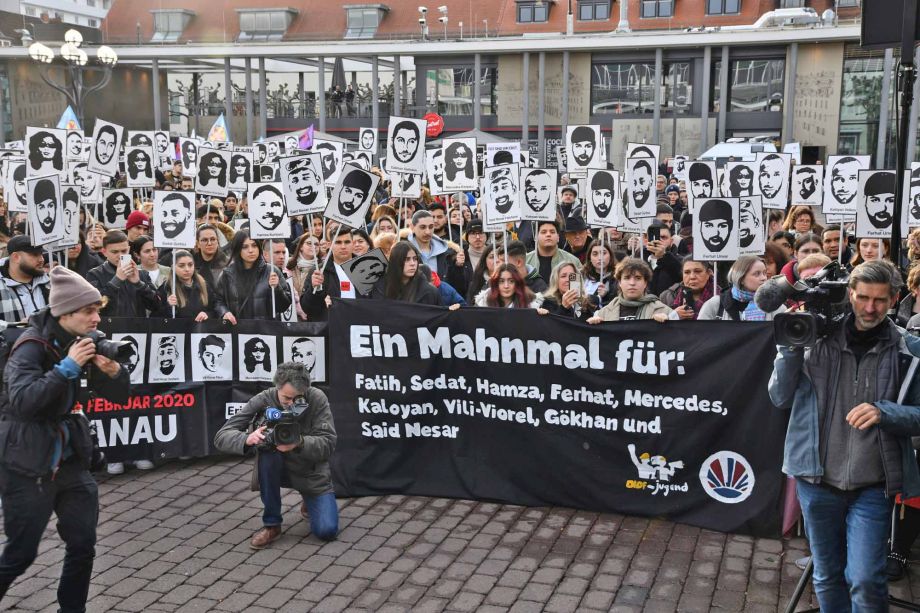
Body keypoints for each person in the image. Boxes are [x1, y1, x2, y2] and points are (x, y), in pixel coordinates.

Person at [768, 260, 920, 612]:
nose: (870, 308)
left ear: (895, 298)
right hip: (816, 480)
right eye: (863, 297)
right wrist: (790, 348)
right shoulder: (812, 339)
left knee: (866, 580)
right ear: (850, 294)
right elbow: (779, 396)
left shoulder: (908, 350)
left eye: (880, 300)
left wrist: (886, 413)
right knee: (826, 574)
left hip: (873, 485)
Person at [0, 267, 129, 612]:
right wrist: (66, 368)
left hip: (70, 457)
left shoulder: (82, 339)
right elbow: (24, 402)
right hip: (27, 460)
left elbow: (119, 397)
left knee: (83, 543)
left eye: (97, 310)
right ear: (65, 313)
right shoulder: (29, 347)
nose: (96, 317)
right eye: (89, 311)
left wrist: (115, 374)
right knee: (20, 552)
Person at [214, 362, 338, 549]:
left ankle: (309, 499)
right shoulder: (264, 398)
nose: (292, 403)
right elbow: (221, 436)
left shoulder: (317, 398)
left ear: (306, 390)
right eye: (286, 398)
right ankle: (272, 524)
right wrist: (248, 438)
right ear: (277, 388)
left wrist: (299, 442)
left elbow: (328, 444)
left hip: (310, 472)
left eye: (298, 398)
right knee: (266, 452)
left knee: (326, 531)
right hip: (275, 467)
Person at [215, 230, 291, 323]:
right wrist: (225, 313)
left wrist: (277, 288)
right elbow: (217, 301)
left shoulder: (272, 271)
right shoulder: (227, 274)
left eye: (254, 245)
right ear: (238, 249)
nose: (251, 250)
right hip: (238, 331)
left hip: (266, 332)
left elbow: (284, 306)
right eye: (245, 247)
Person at [86, 230, 159, 318]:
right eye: (115, 252)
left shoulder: (141, 274)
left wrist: (139, 284)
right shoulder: (95, 274)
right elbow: (95, 306)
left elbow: (156, 305)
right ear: (104, 252)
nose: (120, 255)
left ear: (128, 249)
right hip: (109, 328)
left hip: (138, 329)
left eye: (124, 251)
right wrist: (116, 280)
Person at [697, 255, 782, 321]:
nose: (764, 278)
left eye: (764, 273)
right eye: (757, 274)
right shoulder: (715, 305)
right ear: (741, 278)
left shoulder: (775, 306)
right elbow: (701, 337)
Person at [587, 258, 672, 323]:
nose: (632, 283)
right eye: (627, 278)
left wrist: (669, 322)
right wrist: (593, 328)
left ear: (645, 283)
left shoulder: (662, 310)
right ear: (620, 282)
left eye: (638, 278)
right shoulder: (603, 314)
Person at [407, 210, 468, 297]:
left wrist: (458, 267)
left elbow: (459, 287)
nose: (427, 232)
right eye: (423, 227)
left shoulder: (448, 252)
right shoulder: (403, 250)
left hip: (440, 304)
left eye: (431, 227)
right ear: (412, 227)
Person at [0, 236, 50, 324]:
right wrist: (18, 327)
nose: (42, 259)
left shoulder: (50, 281)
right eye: (35, 254)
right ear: (16, 257)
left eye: (41, 254)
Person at [371, 242, 440, 304]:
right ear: (395, 262)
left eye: (415, 259)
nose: (412, 263)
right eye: (407, 259)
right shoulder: (380, 288)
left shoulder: (430, 292)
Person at [154, 250, 213, 321]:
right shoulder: (166, 287)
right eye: (181, 266)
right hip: (178, 330)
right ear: (173, 267)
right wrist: (168, 306)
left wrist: (207, 315)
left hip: (201, 330)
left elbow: (215, 308)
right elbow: (156, 317)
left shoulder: (203, 284)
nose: (187, 269)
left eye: (190, 265)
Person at [526, 220, 580, 285]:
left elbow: (576, 288)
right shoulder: (526, 261)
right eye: (544, 232)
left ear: (558, 237)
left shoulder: (572, 261)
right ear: (536, 237)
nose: (548, 234)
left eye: (552, 232)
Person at [474, 263, 545, 309]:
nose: (506, 286)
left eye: (511, 281)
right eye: (501, 281)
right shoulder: (484, 301)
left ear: (517, 283)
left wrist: (541, 315)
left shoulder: (530, 303)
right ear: (496, 283)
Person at [643, 220, 682, 297]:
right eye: (654, 237)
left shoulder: (680, 261)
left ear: (671, 242)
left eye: (664, 237)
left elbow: (682, 276)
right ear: (646, 241)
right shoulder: (638, 260)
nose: (659, 240)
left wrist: (664, 256)